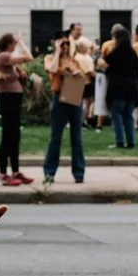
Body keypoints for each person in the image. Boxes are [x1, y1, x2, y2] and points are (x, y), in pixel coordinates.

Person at [43, 35, 94, 184]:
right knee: (55, 138)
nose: (65, 46)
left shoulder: (75, 60)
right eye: (62, 43)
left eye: (67, 44)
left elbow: (83, 79)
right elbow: (52, 69)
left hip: (74, 98)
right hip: (59, 98)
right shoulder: (50, 58)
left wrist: (78, 74)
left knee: (76, 138)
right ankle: (49, 172)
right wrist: (57, 52)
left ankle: (79, 172)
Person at [0, 32, 33, 185]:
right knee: (7, 137)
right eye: (14, 44)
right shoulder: (3, 56)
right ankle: (3, 174)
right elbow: (28, 57)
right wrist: (22, 41)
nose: (16, 47)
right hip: (7, 100)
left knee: (15, 137)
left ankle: (15, 171)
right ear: (9, 44)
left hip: (13, 100)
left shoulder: (9, 61)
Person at [102, 25, 138, 149]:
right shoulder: (133, 53)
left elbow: (106, 65)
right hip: (132, 87)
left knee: (117, 114)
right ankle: (131, 142)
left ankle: (119, 141)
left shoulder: (116, 52)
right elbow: (137, 69)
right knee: (128, 115)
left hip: (118, 87)